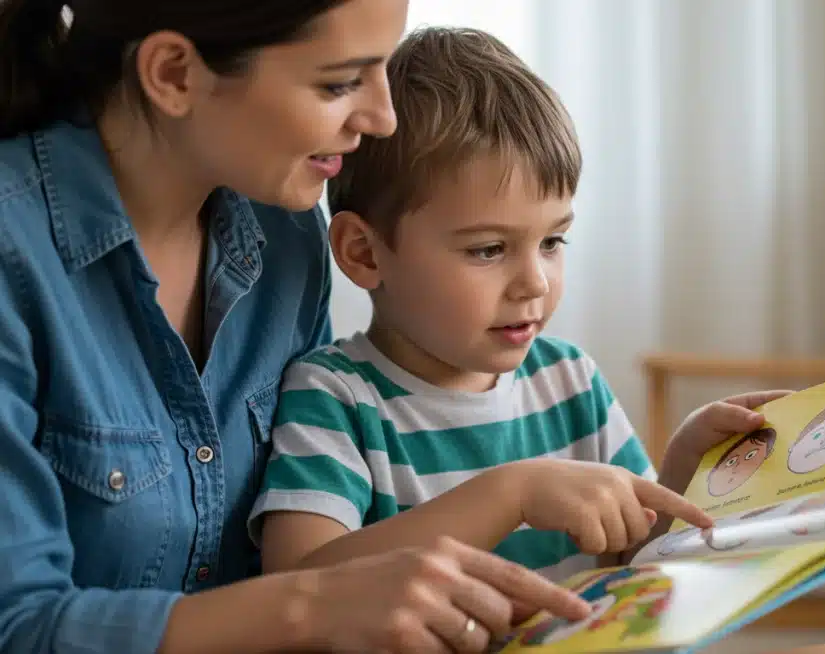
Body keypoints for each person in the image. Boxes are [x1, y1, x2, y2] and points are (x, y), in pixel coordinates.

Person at [0, 1, 596, 653]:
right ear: (174, 73)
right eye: (339, 83)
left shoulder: (284, 232)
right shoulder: (14, 254)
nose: (382, 119)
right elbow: (15, 625)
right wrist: (312, 603)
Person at [248, 25, 790, 589]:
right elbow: (297, 585)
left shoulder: (570, 380)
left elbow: (632, 558)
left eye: (552, 242)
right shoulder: (335, 398)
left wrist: (683, 469)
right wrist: (509, 496)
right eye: (488, 249)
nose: (534, 283)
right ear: (364, 253)